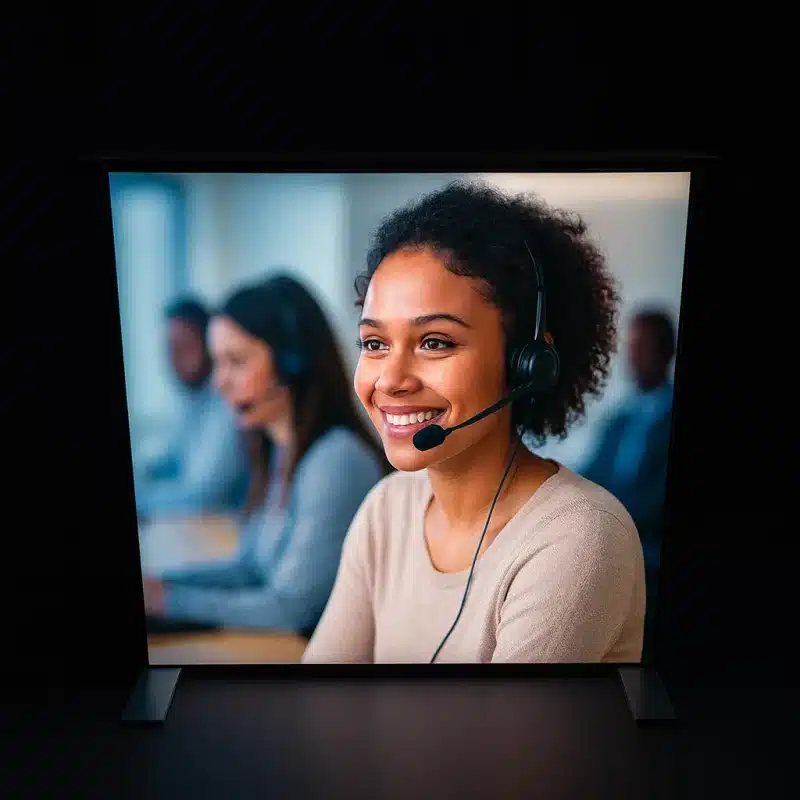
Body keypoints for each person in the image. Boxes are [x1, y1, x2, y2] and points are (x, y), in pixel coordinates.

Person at [302, 181, 646, 664]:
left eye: (435, 341)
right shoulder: (389, 508)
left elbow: (492, 741)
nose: (391, 380)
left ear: (527, 360)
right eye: (375, 343)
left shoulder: (579, 538)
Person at [142, 274, 388, 636]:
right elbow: (250, 568)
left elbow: (291, 609)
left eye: (236, 362)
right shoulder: (280, 450)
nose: (218, 382)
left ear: (293, 363)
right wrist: (162, 586)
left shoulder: (335, 461)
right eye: (217, 362)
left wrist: (170, 600)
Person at [576, 309, 676, 660]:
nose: (633, 356)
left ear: (666, 351)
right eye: (631, 346)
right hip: (613, 540)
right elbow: (588, 473)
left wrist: (607, 518)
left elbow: (658, 500)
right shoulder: (619, 417)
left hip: (650, 555)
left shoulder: (669, 414)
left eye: (642, 346)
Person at [135, 298, 250, 518]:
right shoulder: (192, 399)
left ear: (210, 347)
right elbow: (173, 461)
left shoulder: (227, 401)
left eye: (185, 347)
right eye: (170, 348)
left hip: (221, 530)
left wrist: (142, 500)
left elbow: (204, 496)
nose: (174, 359)